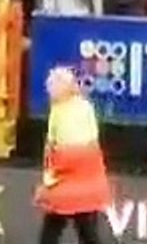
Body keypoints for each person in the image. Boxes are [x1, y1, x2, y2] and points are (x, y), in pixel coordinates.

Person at [35, 67, 111, 244]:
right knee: (86, 229)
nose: (50, 93)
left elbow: (55, 148)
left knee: (53, 229)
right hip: (88, 180)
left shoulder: (59, 112)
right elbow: (93, 141)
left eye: (52, 88)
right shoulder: (86, 107)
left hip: (67, 179)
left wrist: (48, 180)